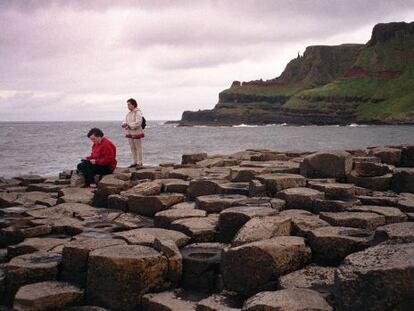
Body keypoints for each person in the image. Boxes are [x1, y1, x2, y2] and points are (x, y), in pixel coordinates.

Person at [122, 98, 144, 168]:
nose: (128, 106)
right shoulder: (128, 114)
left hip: (136, 132)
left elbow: (138, 123)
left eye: (129, 104)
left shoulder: (138, 112)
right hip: (129, 132)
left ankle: (140, 162)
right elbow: (125, 120)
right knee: (132, 147)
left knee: (138, 147)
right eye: (127, 105)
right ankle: (134, 162)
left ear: (133, 104)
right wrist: (124, 124)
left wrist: (129, 125)